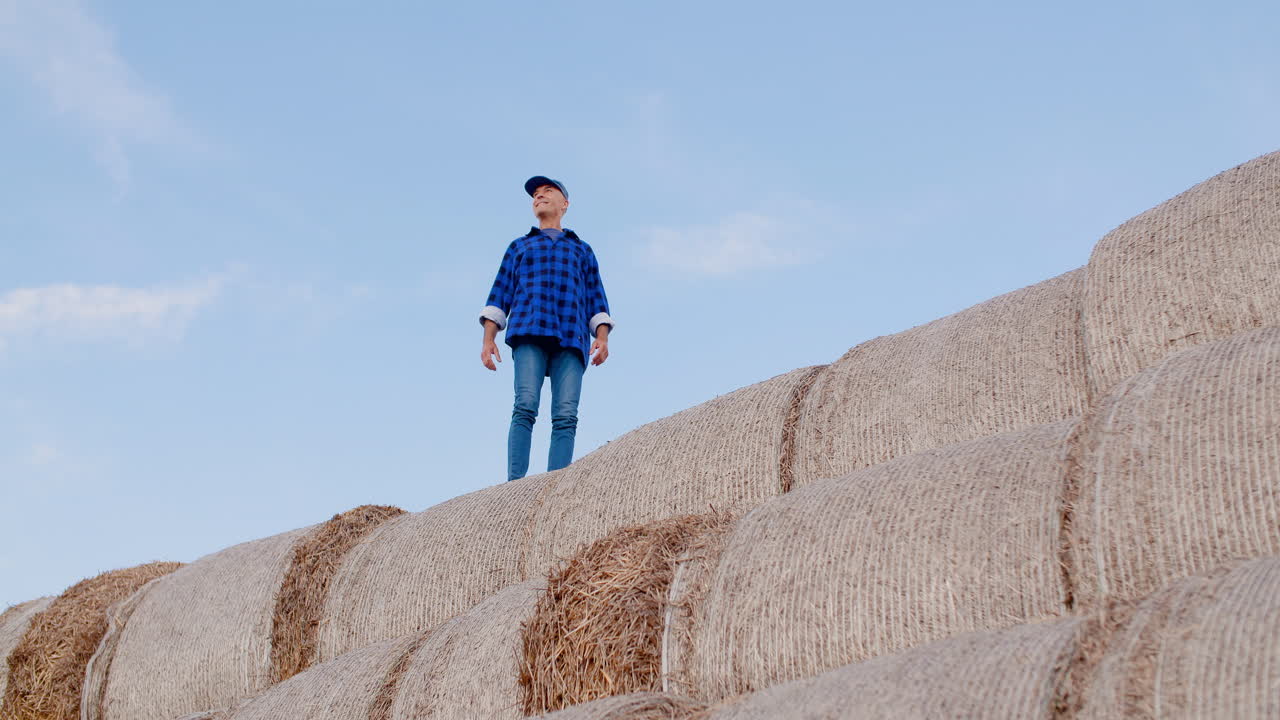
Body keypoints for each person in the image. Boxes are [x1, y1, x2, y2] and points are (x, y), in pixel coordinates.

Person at [479, 176, 614, 482]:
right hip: (529, 332)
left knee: (566, 415)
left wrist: (602, 337)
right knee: (525, 405)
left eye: (547, 192)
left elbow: (596, 297)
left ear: (564, 204)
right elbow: (499, 294)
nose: (538, 196)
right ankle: (514, 484)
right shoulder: (520, 246)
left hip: (571, 336)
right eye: (535, 195)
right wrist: (489, 339)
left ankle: (556, 486)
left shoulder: (581, 250)